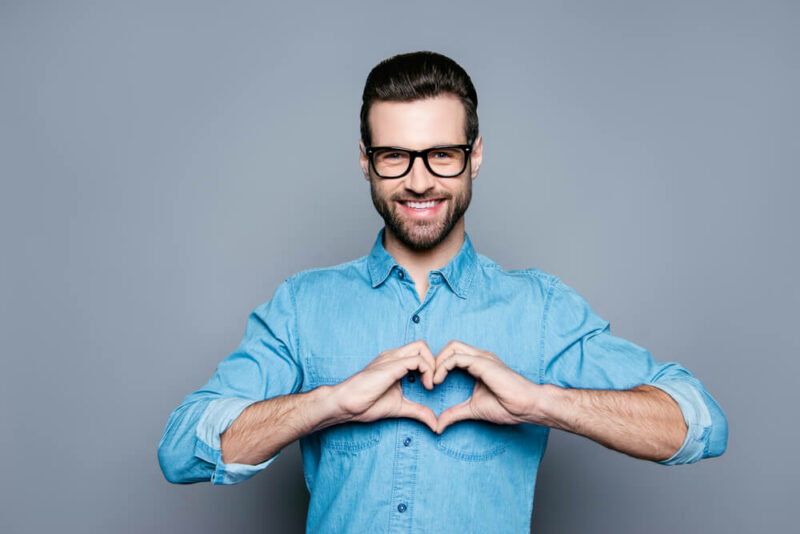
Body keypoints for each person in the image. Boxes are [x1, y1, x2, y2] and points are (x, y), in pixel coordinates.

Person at [158, 51, 728, 533]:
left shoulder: (540, 309)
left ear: (474, 157)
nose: (420, 179)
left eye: (442, 154)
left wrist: (541, 402)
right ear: (366, 162)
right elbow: (181, 450)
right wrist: (328, 403)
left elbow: (698, 422)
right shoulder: (302, 305)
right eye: (394, 156)